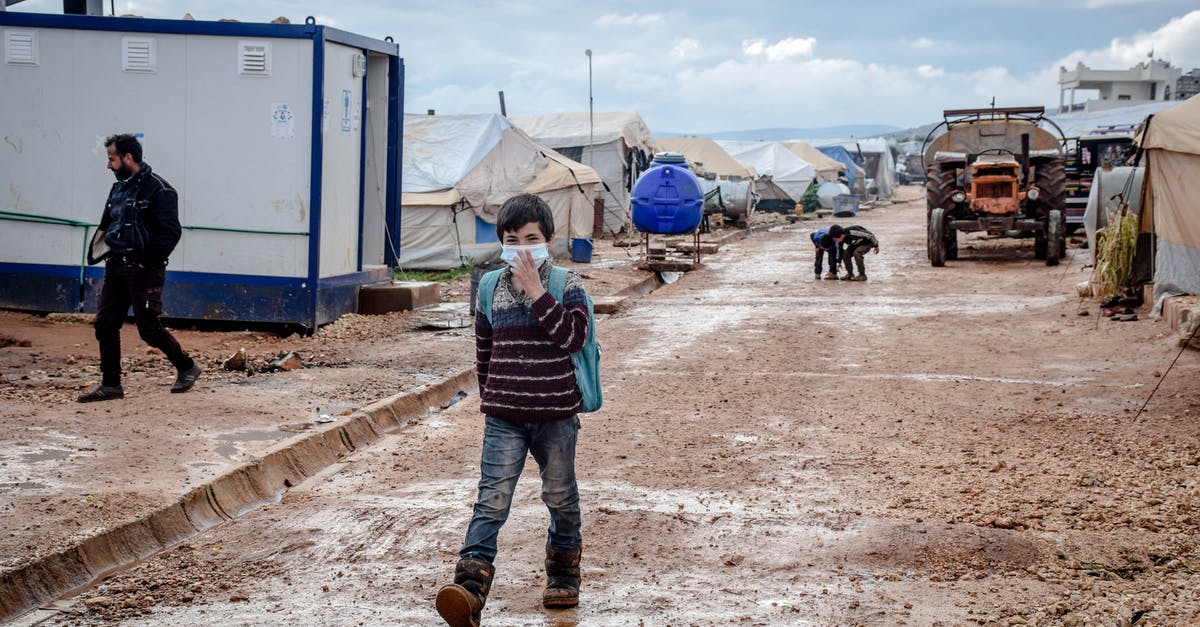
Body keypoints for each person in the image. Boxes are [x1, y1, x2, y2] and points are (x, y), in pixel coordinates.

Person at [436, 194, 590, 627]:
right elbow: (484, 350)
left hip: (556, 414)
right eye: (512, 239)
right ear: (501, 243)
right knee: (491, 499)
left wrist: (539, 293)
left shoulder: (566, 284)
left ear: (550, 239)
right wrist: (492, 396)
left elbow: (574, 339)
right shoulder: (489, 287)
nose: (521, 247)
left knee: (560, 496)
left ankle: (563, 574)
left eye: (532, 238)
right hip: (504, 415)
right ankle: (468, 589)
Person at [77, 134, 200, 402]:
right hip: (116, 267)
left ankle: (187, 366)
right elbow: (111, 223)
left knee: (149, 329)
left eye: (112, 159)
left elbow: (170, 232)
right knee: (105, 324)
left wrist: (148, 261)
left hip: (144, 271)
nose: (109, 166)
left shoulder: (160, 190)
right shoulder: (118, 189)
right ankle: (111, 385)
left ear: (128, 158)